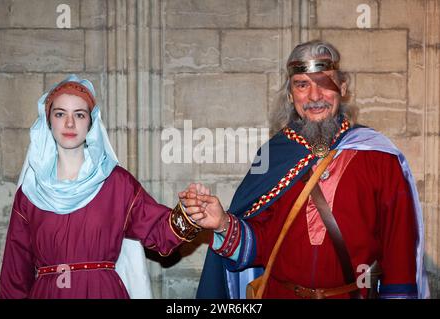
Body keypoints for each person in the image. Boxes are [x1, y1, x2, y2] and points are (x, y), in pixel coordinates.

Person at [181, 40, 430, 299]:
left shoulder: (379, 157)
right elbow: (262, 242)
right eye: (302, 85)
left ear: (342, 87)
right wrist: (222, 224)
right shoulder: (273, 154)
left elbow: (398, 247)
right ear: (291, 95)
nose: (314, 96)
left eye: (325, 82)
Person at [0, 74, 203, 299]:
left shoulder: (116, 183)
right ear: (48, 121)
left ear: (91, 122)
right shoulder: (30, 193)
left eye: (79, 114)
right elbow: (14, 272)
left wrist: (190, 213)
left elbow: (159, 231)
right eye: (60, 114)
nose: (69, 123)